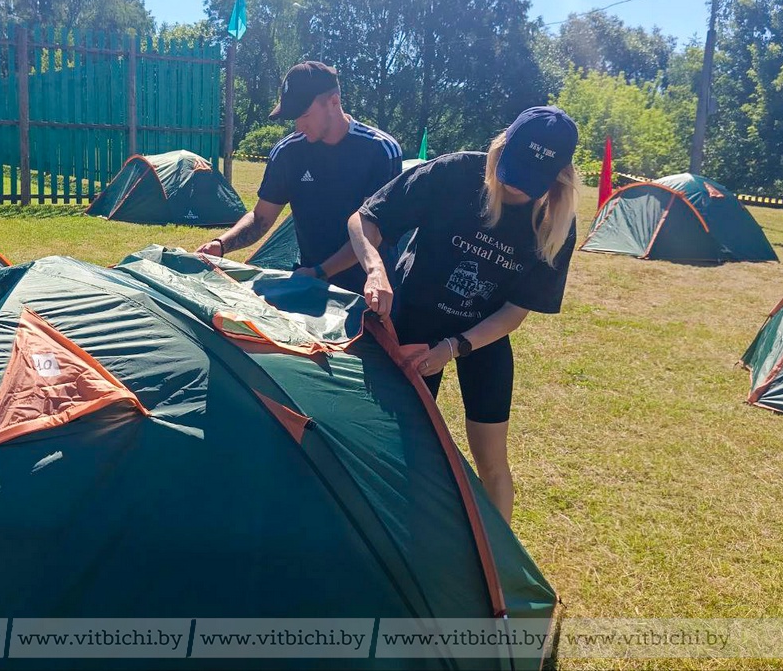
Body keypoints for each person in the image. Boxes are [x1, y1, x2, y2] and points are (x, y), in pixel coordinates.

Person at [347, 106, 579, 523]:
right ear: (500, 149)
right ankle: (396, 536)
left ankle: (500, 569)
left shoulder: (555, 223)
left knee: (493, 462)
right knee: (402, 446)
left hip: (482, 334)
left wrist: (454, 347)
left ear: (559, 177)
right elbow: (364, 220)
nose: (516, 188)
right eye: (512, 170)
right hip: (414, 320)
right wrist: (376, 269)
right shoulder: (452, 174)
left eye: (532, 181)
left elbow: (514, 312)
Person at [196, 61, 402, 293]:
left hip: (371, 289)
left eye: (304, 115)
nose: (298, 125)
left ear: (334, 102)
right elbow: (260, 217)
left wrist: (322, 271)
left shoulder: (380, 149)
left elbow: (371, 230)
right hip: (310, 284)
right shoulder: (287, 152)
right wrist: (220, 245)